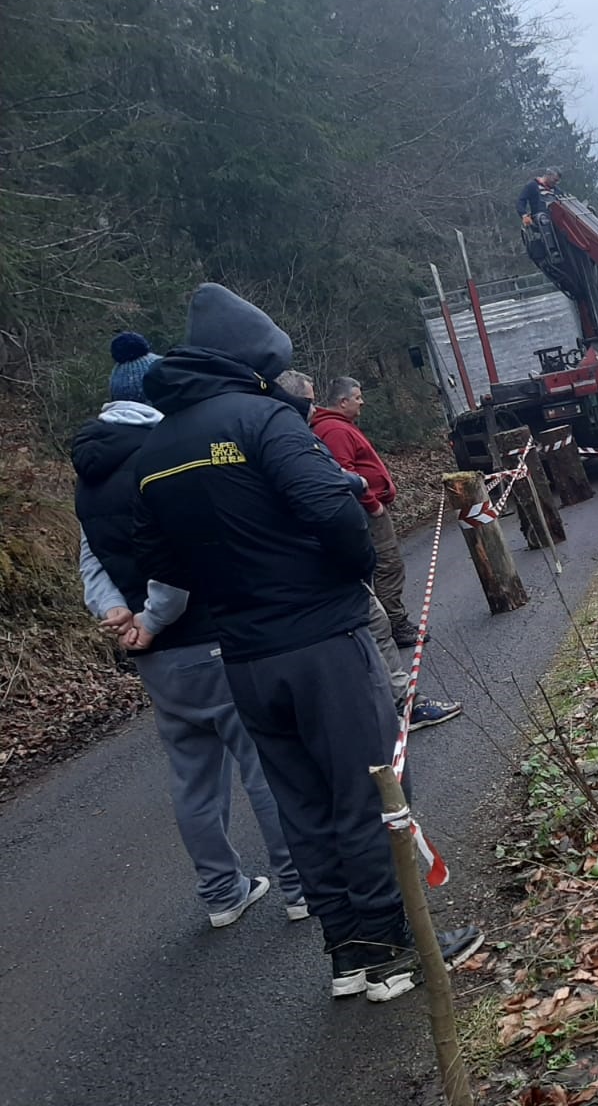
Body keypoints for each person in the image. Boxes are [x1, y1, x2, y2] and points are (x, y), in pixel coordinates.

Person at [132, 285, 480, 1002]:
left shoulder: (157, 444)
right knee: (371, 790)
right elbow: (335, 509)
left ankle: (349, 952)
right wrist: (347, 576)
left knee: (304, 804)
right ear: (253, 359)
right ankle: (395, 952)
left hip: (243, 658)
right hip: (322, 639)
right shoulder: (263, 420)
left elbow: (160, 561)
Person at [73, 332, 305, 929]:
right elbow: (174, 560)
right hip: (204, 635)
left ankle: (222, 892)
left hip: (154, 657)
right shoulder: (159, 456)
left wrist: (116, 614)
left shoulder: (88, 473)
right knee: (263, 765)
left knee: (193, 777)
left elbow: (91, 558)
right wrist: (151, 616)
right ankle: (299, 884)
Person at [277, 370, 460, 731]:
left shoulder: (309, 432)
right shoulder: (321, 433)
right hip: (334, 550)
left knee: (371, 614)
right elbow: (334, 478)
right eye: (309, 401)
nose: (313, 409)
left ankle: (388, 701)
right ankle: (398, 703)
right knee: (375, 608)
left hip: (325, 559)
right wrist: (368, 499)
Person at [309, 377, 422, 647]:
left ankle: (391, 621)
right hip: (367, 512)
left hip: (368, 509)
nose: (362, 402)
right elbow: (344, 473)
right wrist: (373, 503)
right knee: (387, 566)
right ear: (343, 401)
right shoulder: (334, 430)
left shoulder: (340, 426)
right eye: (357, 397)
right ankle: (395, 624)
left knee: (385, 566)